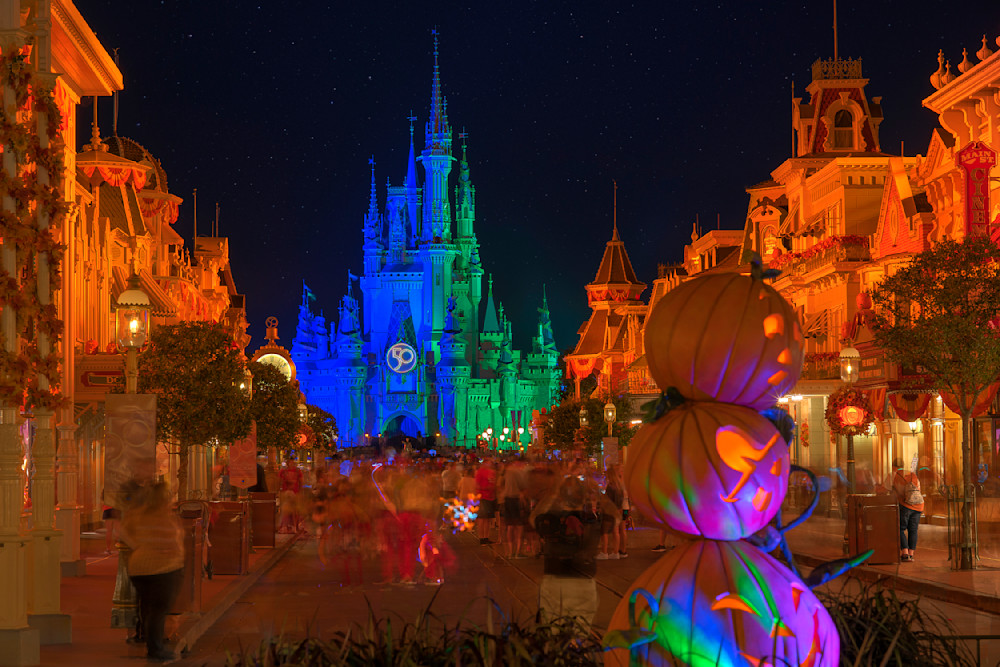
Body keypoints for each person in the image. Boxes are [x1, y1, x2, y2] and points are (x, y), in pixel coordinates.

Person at [119, 481, 184, 662]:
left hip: (138, 568)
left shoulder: (138, 514)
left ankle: (150, 642)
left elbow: (123, 531)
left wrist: (138, 546)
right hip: (163, 568)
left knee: (147, 607)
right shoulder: (165, 517)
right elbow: (172, 542)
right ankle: (155, 648)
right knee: (158, 609)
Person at [530, 475, 601, 626]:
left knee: (553, 631)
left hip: (554, 581)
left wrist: (553, 493)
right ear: (583, 497)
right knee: (580, 632)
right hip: (584, 581)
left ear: (560, 497)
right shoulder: (591, 520)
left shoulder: (551, 519)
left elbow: (533, 517)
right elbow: (616, 517)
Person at [884, 458, 924, 562]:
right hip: (919, 505)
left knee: (900, 528)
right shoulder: (912, 474)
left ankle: (905, 553)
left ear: (893, 466)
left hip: (905, 505)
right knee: (913, 530)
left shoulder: (893, 475)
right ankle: (911, 554)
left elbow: (885, 489)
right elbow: (918, 489)